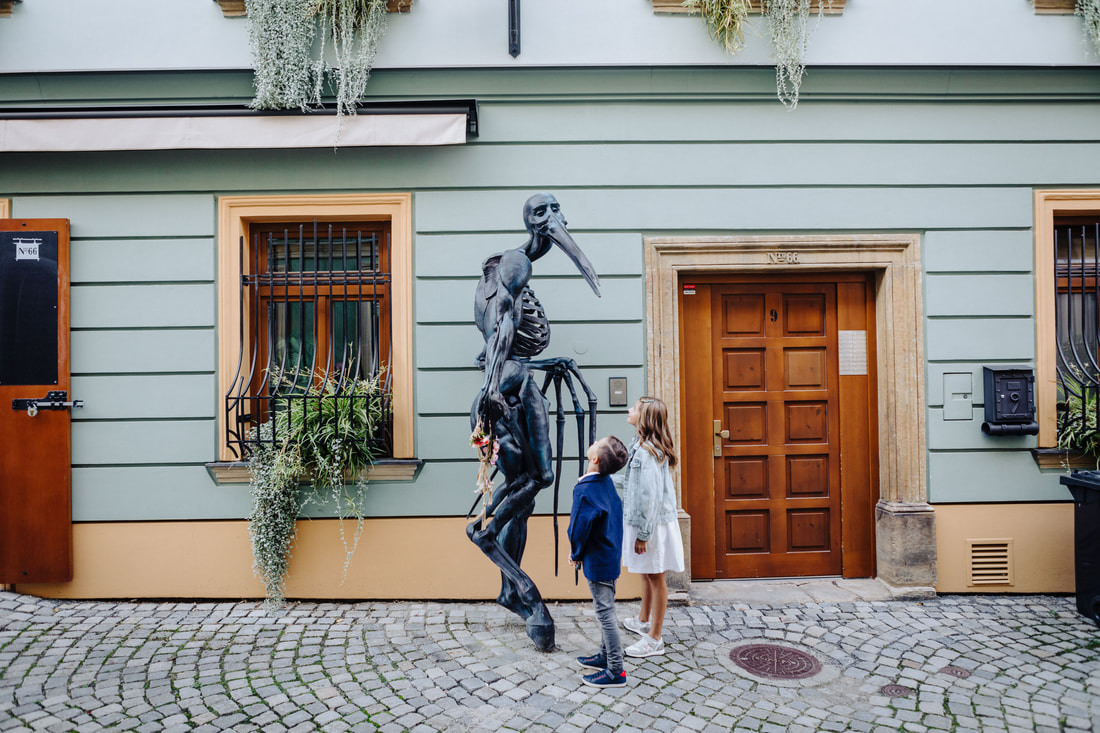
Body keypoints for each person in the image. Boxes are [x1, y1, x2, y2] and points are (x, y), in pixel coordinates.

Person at [619, 397, 685, 658]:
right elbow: (632, 484)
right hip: (646, 521)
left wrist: (644, 534)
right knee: (646, 572)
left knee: (656, 577)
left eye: (633, 408)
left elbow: (651, 497)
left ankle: (655, 638)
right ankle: (644, 619)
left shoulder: (647, 454)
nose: (629, 409)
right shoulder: (639, 445)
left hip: (652, 524)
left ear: (644, 418)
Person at [568, 435, 630, 688]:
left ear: (594, 459)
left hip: (598, 559)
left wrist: (576, 553)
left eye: (597, 442)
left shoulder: (585, 489)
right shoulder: (605, 483)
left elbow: (578, 528)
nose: (592, 441)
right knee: (607, 607)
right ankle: (605, 656)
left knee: (605, 613)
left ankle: (616, 671)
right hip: (611, 554)